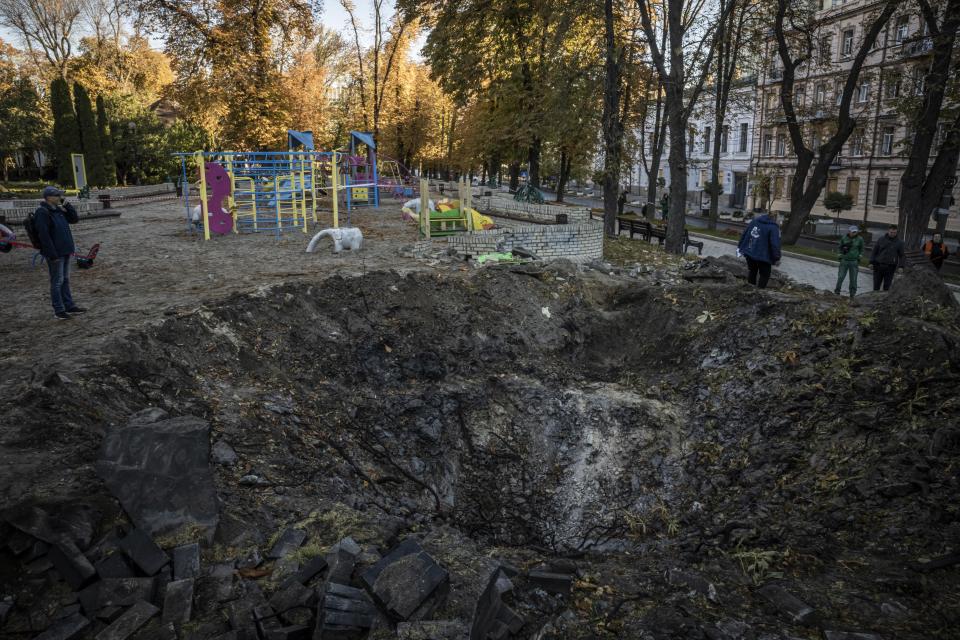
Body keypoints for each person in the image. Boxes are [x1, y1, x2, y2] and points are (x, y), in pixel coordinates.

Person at [35, 186, 86, 320]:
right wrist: (52, 254)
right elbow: (43, 235)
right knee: (57, 281)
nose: (60, 197)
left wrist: (67, 204)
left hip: (65, 250)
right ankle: (59, 310)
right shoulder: (42, 212)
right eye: (57, 195)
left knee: (65, 280)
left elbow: (74, 219)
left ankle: (69, 306)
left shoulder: (58, 210)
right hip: (55, 253)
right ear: (49, 197)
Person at [737, 211, 782, 289]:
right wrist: (777, 258)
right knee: (765, 275)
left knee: (752, 271)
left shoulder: (754, 221)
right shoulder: (773, 227)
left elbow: (745, 234)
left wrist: (740, 247)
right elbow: (775, 244)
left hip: (750, 252)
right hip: (764, 257)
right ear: (775, 218)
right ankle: (759, 292)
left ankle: (750, 290)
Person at [869, 224, 905, 291]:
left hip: (890, 268)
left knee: (887, 287)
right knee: (876, 286)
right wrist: (871, 262)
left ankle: (883, 300)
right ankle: (874, 299)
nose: (892, 234)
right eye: (891, 232)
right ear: (888, 231)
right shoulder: (881, 239)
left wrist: (901, 266)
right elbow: (874, 251)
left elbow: (902, 255)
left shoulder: (899, 242)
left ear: (896, 232)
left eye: (894, 233)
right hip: (878, 266)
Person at [835, 225, 865, 297]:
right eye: (853, 232)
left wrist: (860, 256)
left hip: (854, 261)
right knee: (841, 276)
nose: (854, 233)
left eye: (855, 232)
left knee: (853, 278)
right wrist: (839, 254)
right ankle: (837, 291)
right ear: (849, 231)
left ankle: (852, 293)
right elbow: (839, 247)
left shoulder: (860, 239)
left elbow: (862, 249)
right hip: (844, 260)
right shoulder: (844, 238)